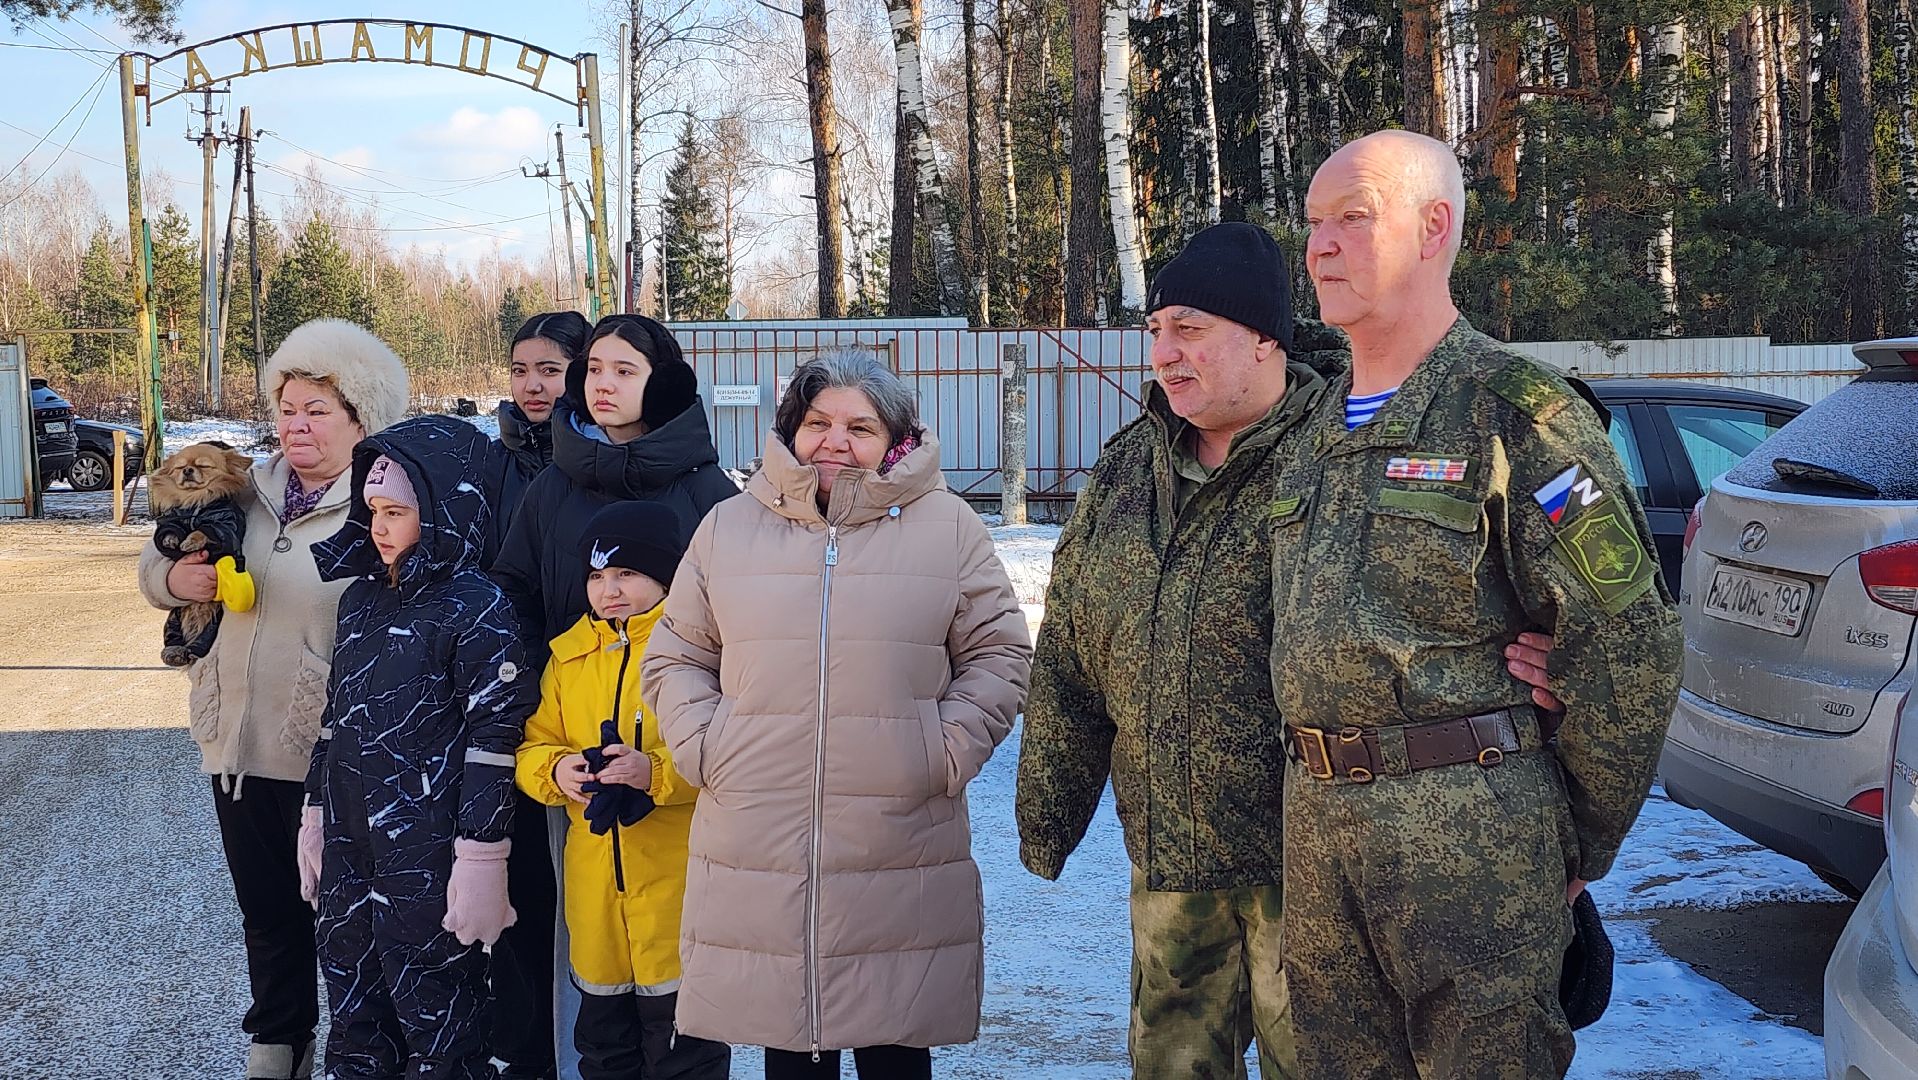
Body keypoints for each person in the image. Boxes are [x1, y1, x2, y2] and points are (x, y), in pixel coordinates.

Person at [1015, 223, 1565, 1080]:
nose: (1164, 353)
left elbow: (1436, 621)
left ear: (1265, 337)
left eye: (1189, 329)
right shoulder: (1128, 471)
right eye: (1155, 331)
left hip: (1311, 874)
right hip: (1173, 867)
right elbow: (1072, 653)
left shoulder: (1335, 458)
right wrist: (1047, 815)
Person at [1271, 130, 1681, 1078]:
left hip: (1474, 848)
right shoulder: (1313, 433)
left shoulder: (1517, 413)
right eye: (1313, 224)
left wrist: (1572, 839)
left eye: (1353, 219)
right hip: (1321, 842)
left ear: (1432, 228)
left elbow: (1629, 647)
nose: (1319, 246)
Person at [643, 351, 1031, 1080]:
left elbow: (999, 654)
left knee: (894, 1044)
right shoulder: (729, 528)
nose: (836, 442)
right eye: (818, 423)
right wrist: (707, 745)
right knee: (790, 1044)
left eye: (860, 426)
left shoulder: (946, 528)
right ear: (791, 431)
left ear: (896, 440)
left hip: (898, 832)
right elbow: (675, 657)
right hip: (760, 837)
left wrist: (941, 750)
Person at [137, 319, 409, 1080]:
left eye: (318, 410)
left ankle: (368, 1053)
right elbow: (156, 560)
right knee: (267, 914)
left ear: (362, 417)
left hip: (334, 751)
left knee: (346, 922)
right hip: (236, 742)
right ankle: (278, 1046)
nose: (296, 424)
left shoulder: (385, 500)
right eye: (287, 407)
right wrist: (173, 581)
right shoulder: (241, 488)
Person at [298, 415, 540, 1079]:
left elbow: (497, 736)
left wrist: (484, 852)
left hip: (429, 859)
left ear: (442, 508)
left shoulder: (476, 606)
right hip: (352, 852)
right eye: (371, 510)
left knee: (438, 1019)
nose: (378, 527)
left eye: (396, 511)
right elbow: (335, 715)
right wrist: (315, 811)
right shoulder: (360, 602)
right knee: (353, 1013)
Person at [514, 500, 730, 1080]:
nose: (610, 589)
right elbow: (533, 746)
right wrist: (558, 772)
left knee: (685, 1052)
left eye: (627, 573)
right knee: (605, 1050)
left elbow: (728, 755)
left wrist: (654, 773)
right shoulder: (567, 659)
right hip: (595, 899)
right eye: (596, 575)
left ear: (668, 576)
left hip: (678, 895)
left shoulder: (698, 652)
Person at [491, 313, 737, 655]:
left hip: (674, 704)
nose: (603, 384)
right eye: (594, 369)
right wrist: (543, 681)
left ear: (662, 386)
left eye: (624, 371)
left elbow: (742, 617)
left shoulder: (708, 493)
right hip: (567, 704)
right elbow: (513, 592)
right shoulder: (552, 487)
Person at [487, 308, 592, 1080]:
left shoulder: (599, 461)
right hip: (514, 713)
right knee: (521, 900)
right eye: (521, 369)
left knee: (591, 910)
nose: (531, 385)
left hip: (594, 704)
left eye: (549, 371)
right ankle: (527, 1060)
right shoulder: (487, 465)